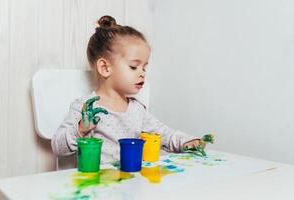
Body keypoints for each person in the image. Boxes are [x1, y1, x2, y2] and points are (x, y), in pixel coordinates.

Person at [51, 15, 208, 163]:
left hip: (132, 184)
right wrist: (81, 128)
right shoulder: (86, 108)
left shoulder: (137, 110)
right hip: (97, 186)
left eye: (144, 67)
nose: (142, 73)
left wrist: (187, 142)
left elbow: (163, 134)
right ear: (105, 67)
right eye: (134, 66)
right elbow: (58, 147)